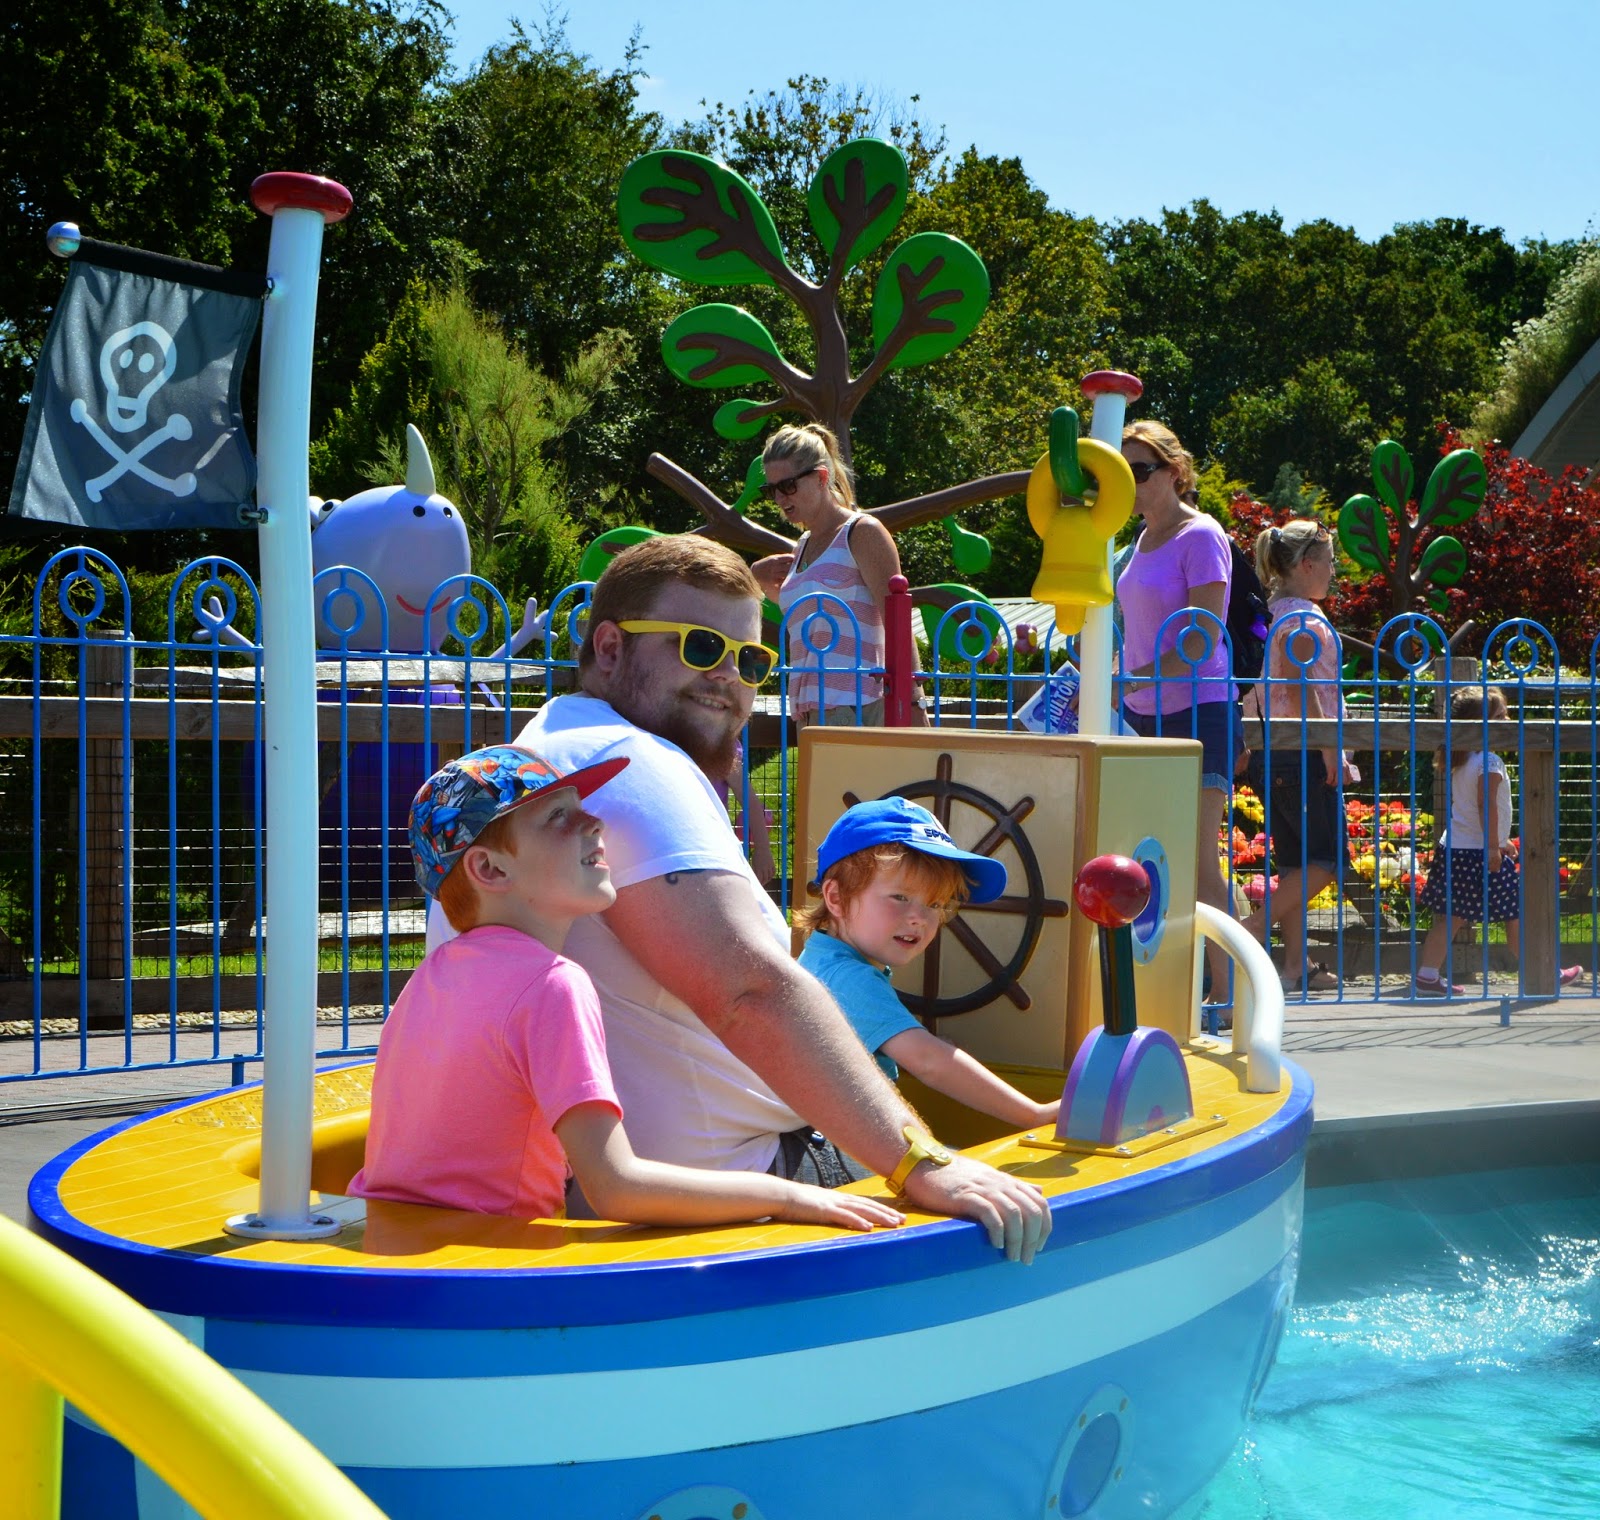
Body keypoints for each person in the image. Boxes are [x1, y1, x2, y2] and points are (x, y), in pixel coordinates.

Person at [426, 535, 1050, 1262]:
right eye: (699, 647)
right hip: (722, 1198)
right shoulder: (630, 762)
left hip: (601, 1199)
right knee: (1014, 1206)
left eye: (751, 660)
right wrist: (922, 1162)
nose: (728, 676)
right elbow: (749, 992)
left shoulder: (544, 756)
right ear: (610, 648)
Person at [351, 746, 903, 1236]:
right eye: (558, 816)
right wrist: (786, 1196)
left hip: (398, 1245)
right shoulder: (551, 984)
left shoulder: (430, 978)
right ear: (490, 869)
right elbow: (615, 1187)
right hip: (488, 1272)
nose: (594, 821)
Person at [797, 798, 1061, 1130]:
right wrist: (1034, 1115)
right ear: (836, 898)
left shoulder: (824, 959)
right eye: (900, 897)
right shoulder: (848, 977)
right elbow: (928, 1062)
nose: (920, 918)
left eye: (936, 903)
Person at [1115, 421, 1242, 992]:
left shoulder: (1202, 535)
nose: (1128, 481)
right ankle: (1176, 987)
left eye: (1139, 470)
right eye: (1120, 471)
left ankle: (1230, 995)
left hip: (1198, 712)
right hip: (1142, 712)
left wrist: (1130, 681)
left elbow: (1202, 637)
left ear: (1174, 472)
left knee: (1194, 860)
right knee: (1149, 852)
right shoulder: (1136, 541)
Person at [1243, 520, 1356, 995]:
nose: (1333, 571)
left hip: (1275, 752)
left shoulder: (1272, 612)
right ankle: (1251, 930)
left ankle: (1293, 967)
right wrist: (1329, 747)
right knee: (1328, 860)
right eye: (1329, 562)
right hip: (1303, 753)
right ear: (1307, 565)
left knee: (1294, 863)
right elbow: (1300, 683)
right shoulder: (1304, 620)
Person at [1414, 688, 1583, 997]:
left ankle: (1427, 975)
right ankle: (1543, 973)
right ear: (1480, 724)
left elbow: (1469, 810)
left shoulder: (1462, 758)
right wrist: (1493, 846)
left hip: (1457, 849)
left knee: (1451, 916)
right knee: (1515, 913)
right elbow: (1485, 805)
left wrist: (1500, 841)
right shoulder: (1488, 762)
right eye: (1501, 716)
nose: (1508, 721)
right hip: (1480, 853)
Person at [751, 423, 920, 726]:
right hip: (811, 711)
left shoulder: (863, 532)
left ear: (821, 478)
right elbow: (806, 615)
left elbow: (898, 620)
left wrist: (914, 701)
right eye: (771, 489)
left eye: (787, 485)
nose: (779, 498)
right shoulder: (803, 545)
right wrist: (757, 578)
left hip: (860, 706)